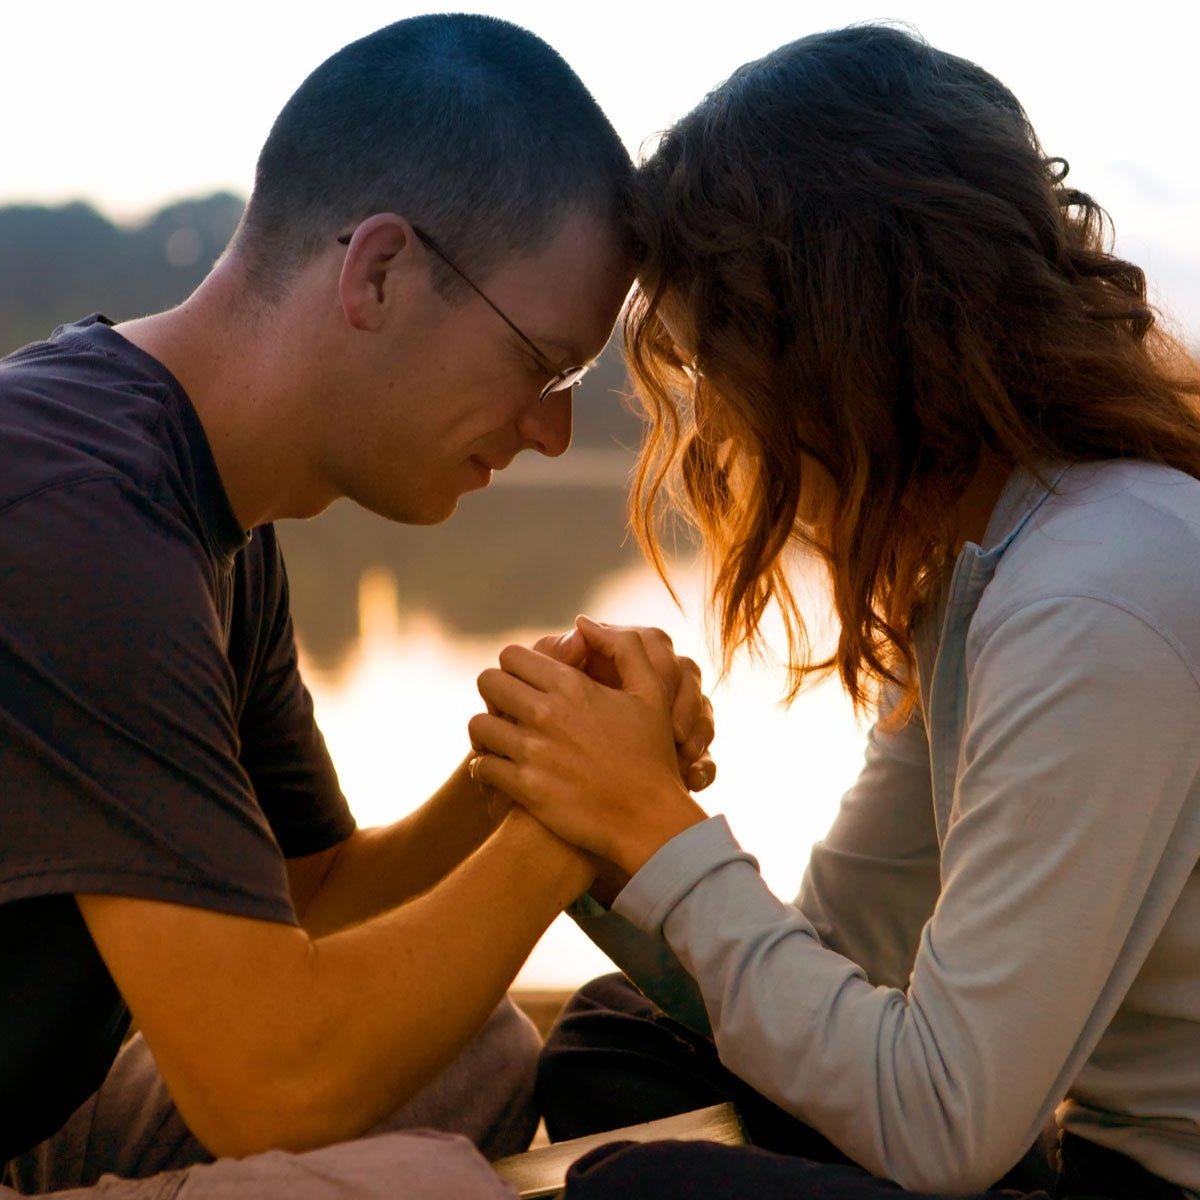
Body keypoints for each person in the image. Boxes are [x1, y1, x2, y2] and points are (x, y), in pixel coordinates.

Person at [468, 23, 1200, 1200]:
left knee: (640, 1191)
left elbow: (943, 1122)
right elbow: (846, 949)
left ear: (829, 346)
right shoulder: (993, 566)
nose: (712, 432)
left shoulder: (1097, 592)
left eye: (710, 370)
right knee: (620, 1044)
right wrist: (599, 825)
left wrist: (659, 830)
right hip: (1051, 1143)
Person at [0, 14, 716, 1200]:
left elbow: (314, 902)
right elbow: (268, 1084)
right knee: (420, 1184)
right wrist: (575, 824)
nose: (551, 432)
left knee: (465, 1055)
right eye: (542, 365)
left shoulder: (207, 508)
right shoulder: (75, 517)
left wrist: (527, 769)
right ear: (378, 271)